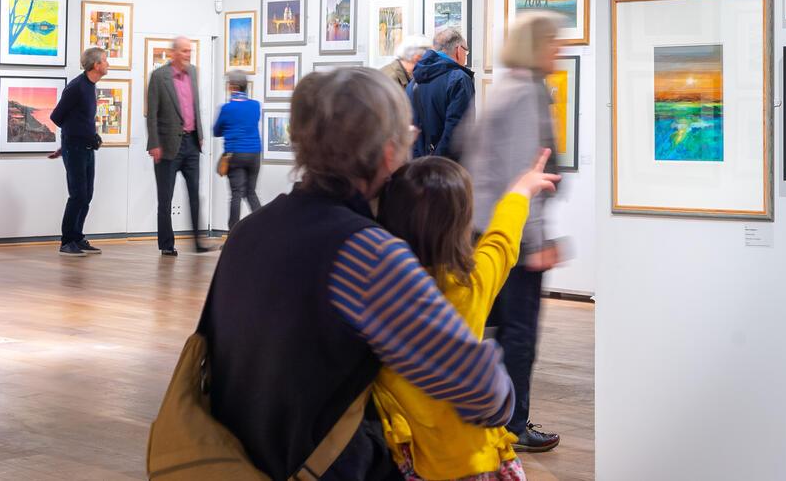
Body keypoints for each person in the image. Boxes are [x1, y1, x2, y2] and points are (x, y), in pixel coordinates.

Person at [198, 67, 515, 480]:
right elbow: (481, 389)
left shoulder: (248, 231)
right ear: (387, 153)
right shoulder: (366, 253)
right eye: (406, 137)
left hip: (231, 462)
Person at [372, 150, 558, 481]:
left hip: (410, 458)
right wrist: (522, 190)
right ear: (461, 224)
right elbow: (502, 241)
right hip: (470, 457)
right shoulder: (471, 283)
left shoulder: (376, 292)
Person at [461, 12, 564, 453]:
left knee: (496, 330)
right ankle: (513, 425)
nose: (559, 49)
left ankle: (493, 417)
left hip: (486, 228)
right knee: (519, 335)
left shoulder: (507, 87)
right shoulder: (524, 94)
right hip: (510, 234)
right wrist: (537, 241)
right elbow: (526, 174)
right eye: (553, 41)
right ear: (536, 45)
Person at [146, 35, 209, 256]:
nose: (188, 55)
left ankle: (198, 242)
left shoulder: (193, 72)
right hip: (167, 145)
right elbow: (152, 114)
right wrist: (154, 143)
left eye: (189, 51)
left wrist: (200, 133)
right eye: (184, 51)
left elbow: (195, 106)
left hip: (192, 143)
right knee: (165, 198)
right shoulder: (158, 77)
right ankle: (166, 244)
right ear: (173, 53)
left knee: (195, 195)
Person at [49, 47, 109, 257]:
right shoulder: (76, 87)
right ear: (96, 65)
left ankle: (77, 237)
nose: (108, 64)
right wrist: (69, 142)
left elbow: (80, 118)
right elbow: (57, 117)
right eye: (105, 60)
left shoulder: (90, 86)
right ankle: (67, 242)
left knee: (87, 195)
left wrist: (90, 135)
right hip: (75, 148)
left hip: (86, 147)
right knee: (78, 195)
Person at [408, 27, 474, 160]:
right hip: (447, 165)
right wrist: (437, 162)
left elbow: (410, 126)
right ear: (459, 50)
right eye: (466, 52)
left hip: (417, 163)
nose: (465, 56)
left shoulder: (414, 81)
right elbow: (457, 130)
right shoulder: (459, 79)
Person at [212, 70, 262, 230]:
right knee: (251, 192)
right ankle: (264, 228)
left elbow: (216, 131)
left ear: (233, 86)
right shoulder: (255, 105)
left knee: (236, 194)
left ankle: (233, 234)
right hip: (254, 154)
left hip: (235, 154)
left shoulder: (227, 108)